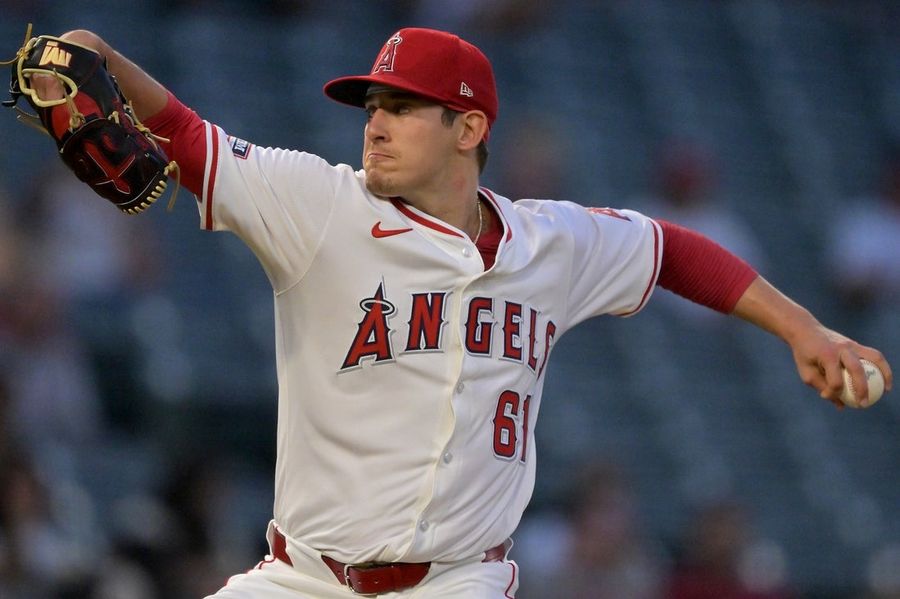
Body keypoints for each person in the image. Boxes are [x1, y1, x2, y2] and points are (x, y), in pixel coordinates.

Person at [26, 26, 892, 598]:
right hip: (301, 580)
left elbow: (673, 249)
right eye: (372, 106)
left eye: (402, 107)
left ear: (469, 128)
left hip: (458, 581)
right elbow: (178, 128)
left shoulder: (553, 241)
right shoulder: (318, 205)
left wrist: (801, 328)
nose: (376, 124)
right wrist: (91, 49)